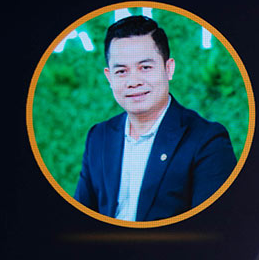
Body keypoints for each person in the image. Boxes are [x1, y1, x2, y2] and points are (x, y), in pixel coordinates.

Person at [74, 15, 237, 222]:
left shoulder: (207, 140)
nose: (133, 82)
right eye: (121, 71)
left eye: (145, 67)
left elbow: (210, 227)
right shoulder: (99, 136)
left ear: (169, 69)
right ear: (109, 77)